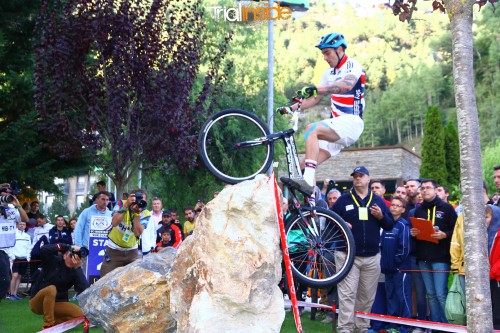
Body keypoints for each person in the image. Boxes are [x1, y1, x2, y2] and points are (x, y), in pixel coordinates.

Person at [277, 32, 365, 195]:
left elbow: (346, 85)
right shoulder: (328, 73)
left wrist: (316, 88)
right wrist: (290, 108)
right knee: (304, 166)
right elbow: (314, 100)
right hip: (337, 126)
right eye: (323, 53)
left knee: (312, 129)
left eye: (327, 53)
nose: (325, 57)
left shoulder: (352, 65)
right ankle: (311, 203)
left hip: (351, 122)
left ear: (339, 49)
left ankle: (308, 183)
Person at [331, 166, 393, 333]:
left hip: (372, 257)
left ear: (368, 179)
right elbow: (328, 223)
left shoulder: (378, 200)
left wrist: (381, 216)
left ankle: (362, 328)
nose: (358, 179)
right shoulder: (343, 200)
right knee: (347, 295)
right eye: (355, 176)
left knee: (366, 296)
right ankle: (345, 328)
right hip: (347, 255)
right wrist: (341, 224)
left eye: (361, 176)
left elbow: (389, 225)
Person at [410, 178, 457, 324]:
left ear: (436, 190)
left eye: (428, 188)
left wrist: (445, 235)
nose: (424, 191)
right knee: (430, 295)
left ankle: (448, 325)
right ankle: (436, 325)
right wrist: (413, 233)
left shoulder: (446, 208)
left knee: (440, 294)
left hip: (441, 258)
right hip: (423, 257)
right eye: (422, 188)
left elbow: (456, 231)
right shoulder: (418, 209)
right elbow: (416, 233)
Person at [29, 243, 88, 330]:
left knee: (81, 316)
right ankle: (48, 325)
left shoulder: (75, 271)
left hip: (57, 304)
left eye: (76, 257)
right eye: (71, 255)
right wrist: (68, 247)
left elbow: (84, 290)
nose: (73, 259)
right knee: (51, 289)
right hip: (38, 302)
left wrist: (78, 268)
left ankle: (58, 320)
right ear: (64, 255)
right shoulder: (53, 261)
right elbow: (44, 249)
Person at [380, 196, 412, 333]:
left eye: (398, 205)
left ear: (403, 209)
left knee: (403, 296)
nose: (394, 207)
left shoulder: (403, 225)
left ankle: (406, 325)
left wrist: (396, 263)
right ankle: (392, 323)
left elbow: (404, 248)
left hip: (400, 268)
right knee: (390, 295)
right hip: (387, 268)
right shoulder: (386, 224)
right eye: (392, 205)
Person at [99, 190, 150, 277]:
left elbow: (137, 233)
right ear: (131, 197)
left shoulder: (145, 213)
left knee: (133, 281)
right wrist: (126, 205)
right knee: (104, 279)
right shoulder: (120, 203)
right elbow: (114, 223)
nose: (139, 202)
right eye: (137, 199)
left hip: (132, 252)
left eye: (142, 200)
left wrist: (137, 214)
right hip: (113, 250)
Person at [0, 185, 29, 302]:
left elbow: (25, 219)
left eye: (9, 193)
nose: (7, 196)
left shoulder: (12, 209)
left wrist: (19, 206)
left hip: (8, 250)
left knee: (6, 279)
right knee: (5, 280)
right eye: (4, 193)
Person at [7, 221, 31, 300]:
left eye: (23, 224)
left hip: (24, 258)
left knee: (19, 277)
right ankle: (11, 294)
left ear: (25, 226)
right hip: (15, 258)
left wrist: (28, 257)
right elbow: (9, 246)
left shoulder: (27, 236)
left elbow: (29, 247)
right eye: (20, 224)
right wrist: (12, 256)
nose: (22, 226)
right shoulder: (13, 235)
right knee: (14, 276)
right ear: (17, 225)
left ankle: (15, 293)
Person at [488, 204, 500, 329]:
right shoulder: (487, 234)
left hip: (496, 277)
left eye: (487, 217)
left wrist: (491, 273)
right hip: (492, 277)